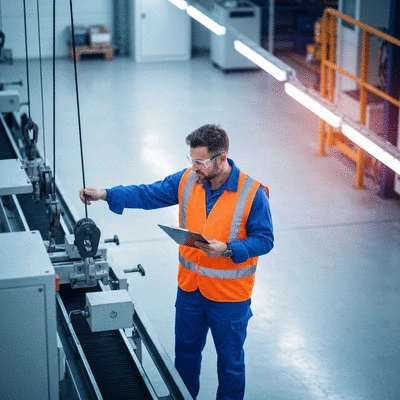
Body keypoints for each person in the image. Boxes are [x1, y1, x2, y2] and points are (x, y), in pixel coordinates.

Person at [79, 124, 274, 400]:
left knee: (230, 367)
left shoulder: (252, 193)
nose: (194, 167)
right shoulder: (187, 180)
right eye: (191, 160)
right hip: (190, 291)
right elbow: (148, 194)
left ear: (221, 159)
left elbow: (265, 239)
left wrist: (229, 249)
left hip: (230, 299)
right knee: (184, 359)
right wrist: (106, 194)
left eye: (200, 161)